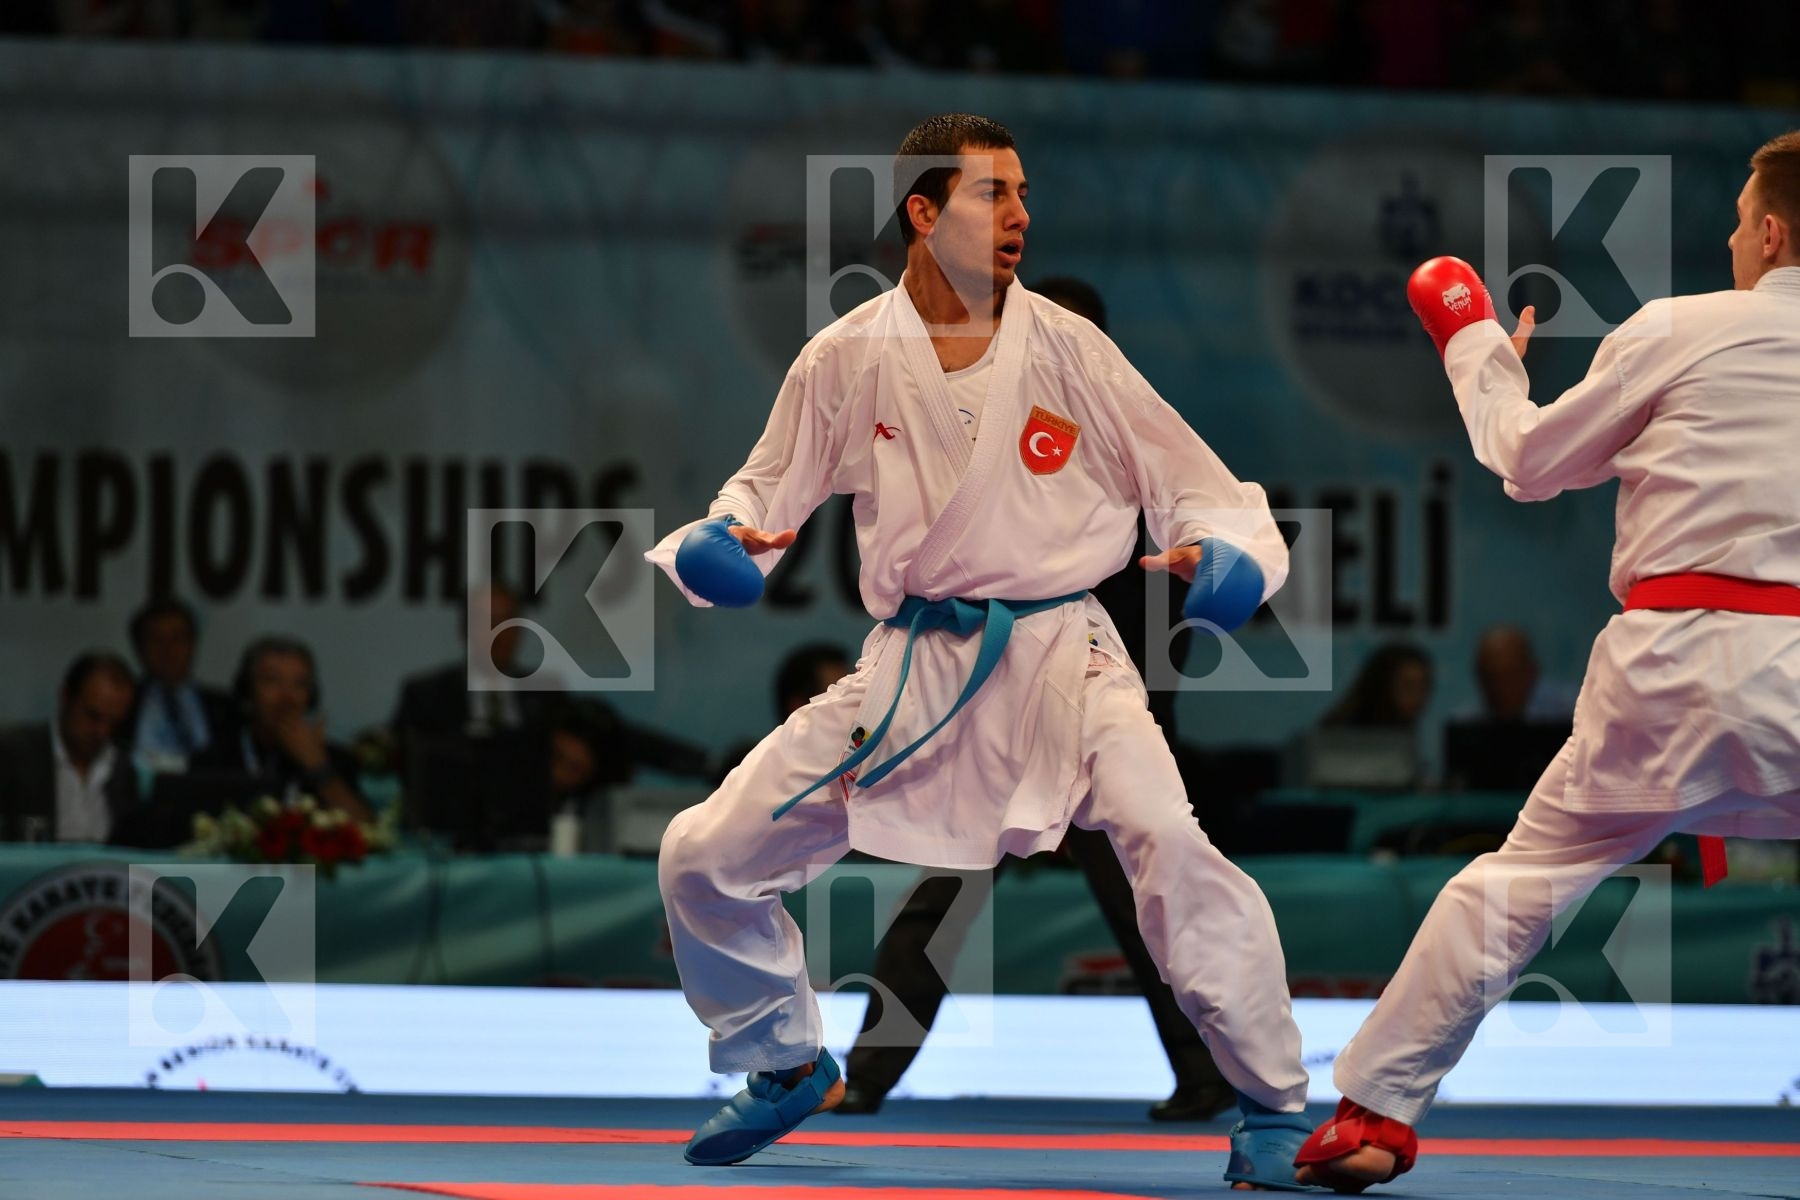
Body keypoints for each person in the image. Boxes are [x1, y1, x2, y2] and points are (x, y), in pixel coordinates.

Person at [647, 113, 1309, 1187]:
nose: (1019, 218)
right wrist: (716, 547)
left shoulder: (1071, 348)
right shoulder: (848, 356)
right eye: (992, 195)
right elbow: (761, 495)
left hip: (1067, 663)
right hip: (914, 669)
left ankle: (1274, 1106)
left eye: (1023, 195)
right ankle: (782, 1060)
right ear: (923, 211)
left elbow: (1197, 487)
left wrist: (1234, 559)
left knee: (1172, 850)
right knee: (702, 855)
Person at [1293, 131, 1800, 1191]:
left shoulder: (1680, 327)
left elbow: (1527, 462)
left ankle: (1374, 1116)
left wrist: (1478, 348)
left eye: (1736, 219)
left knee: (1517, 886)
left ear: (1770, 230)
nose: (1725, 235)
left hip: (1674, 666)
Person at [834, 277, 1233, 1123]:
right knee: (941, 900)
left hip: (1096, 718)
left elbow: (1179, 593)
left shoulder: (1132, 445)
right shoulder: (984, 449)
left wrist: (1125, 727)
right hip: (990, 719)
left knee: (1144, 907)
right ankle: (867, 1074)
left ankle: (1210, 1074)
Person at [192, 636, 370, 821]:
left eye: (299, 684)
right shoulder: (212, 761)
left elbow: (368, 833)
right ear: (247, 690)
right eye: (272, 681)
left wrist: (318, 767)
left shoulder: (337, 761)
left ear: (311, 696)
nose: (287, 698)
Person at [0, 652, 138, 843]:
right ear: (65, 697)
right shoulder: (13, 754)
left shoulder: (122, 768)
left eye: (114, 723)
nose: (102, 732)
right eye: (93, 716)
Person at [124, 596, 236, 767]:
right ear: (139, 647)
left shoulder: (225, 707)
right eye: (156, 640)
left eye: (177, 638)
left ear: (192, 643)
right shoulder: (124, 702)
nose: (168, 650)